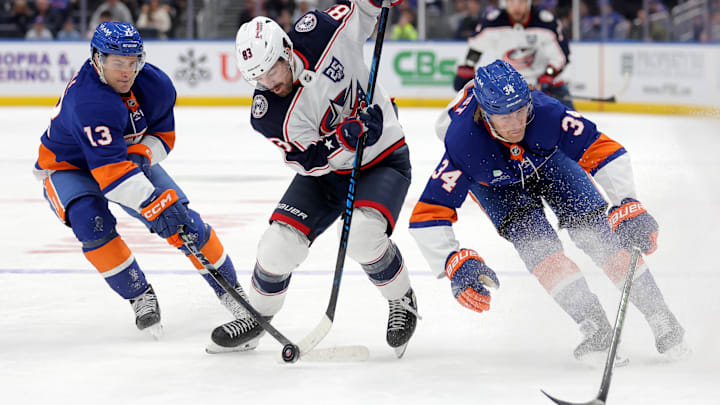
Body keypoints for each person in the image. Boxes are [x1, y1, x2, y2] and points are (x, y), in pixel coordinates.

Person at [409, 59, 689, 361]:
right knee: (538, 248)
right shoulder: (463, 143)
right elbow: (428, 213)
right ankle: (593, 325)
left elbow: (603, 149)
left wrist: (628, 202)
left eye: (521, 110)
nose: (517, 122)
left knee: (598, 233)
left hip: (549, 159)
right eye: (505, 116)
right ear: (486, 115)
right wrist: (452, 261)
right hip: (493, 183)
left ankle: (662, 318)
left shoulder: (546, 112)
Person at [210, 1, 419, 357]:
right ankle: (259, 317)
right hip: (326, 173)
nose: (268, 83)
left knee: (362, 238)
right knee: (276, 247)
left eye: (271, 71)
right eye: (257, 78)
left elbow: (364, 10)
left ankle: (402, 299)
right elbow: (310, 161)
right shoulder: (268, 115)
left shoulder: (320, 32)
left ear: (286, 51)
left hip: (383, 157)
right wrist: (345, 138)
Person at [33, 22, 247, 337]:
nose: (127, 71)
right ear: (97, 59)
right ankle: (138, 294)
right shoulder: (89, 101)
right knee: (89, 221)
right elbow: (112, 177)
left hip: (122, 159)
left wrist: (142, 155)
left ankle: (231, 290)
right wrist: (154, 204)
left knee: (184, 221)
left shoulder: (155, 85)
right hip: (69, 166)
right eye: (118, 63)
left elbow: (164, 135)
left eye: (133, 62)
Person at [452, 0, 575, 109]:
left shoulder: (546, 23)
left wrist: (549, 76)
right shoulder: (493, 22)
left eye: (521, 2)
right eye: (511, 2)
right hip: (512, 90)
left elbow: (561, 56)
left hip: (548, 87)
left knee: (571, 129)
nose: (516, 7)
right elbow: (476, 47)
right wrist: (468, 66)